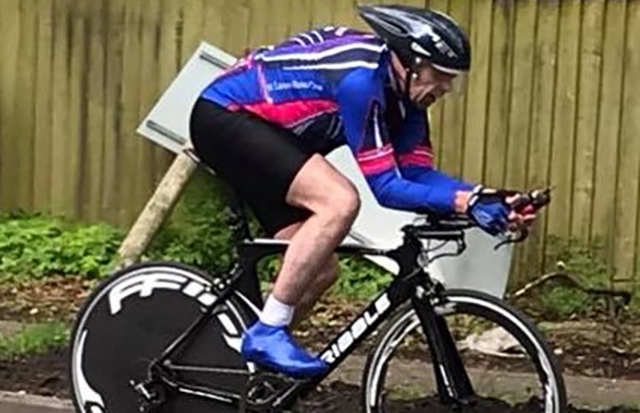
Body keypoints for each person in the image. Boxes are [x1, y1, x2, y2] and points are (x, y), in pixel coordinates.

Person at [189, 4, 536, 378]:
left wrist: (487, 196)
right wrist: (464, 202)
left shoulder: (406, 99)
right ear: (410, 62)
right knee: (339, 201)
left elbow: (417, 175)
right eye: (440, 75)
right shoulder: (362, 82)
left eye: (452, 79)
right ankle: (267, 331)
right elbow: (385, 188)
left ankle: (243, 371)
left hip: (274, 140)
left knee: (320, 272)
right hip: (225, 116)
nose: (446, 87)